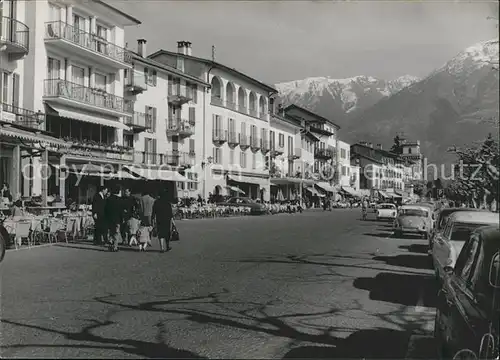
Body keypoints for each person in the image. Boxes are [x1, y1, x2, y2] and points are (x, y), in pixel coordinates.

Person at [152, 188, 174, 253]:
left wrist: (153, 219)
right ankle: (167, 246)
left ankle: (162, 248)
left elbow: (154, 212)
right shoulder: (167, 202)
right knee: (167, 233)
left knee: (160, 233)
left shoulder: (156, 202)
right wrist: (173, 221)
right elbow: (170, 213)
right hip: (167, 220)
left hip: (159, 219)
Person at [105, 186, 123, 252]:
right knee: (116, 233)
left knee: (111, 232)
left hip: (110, 219)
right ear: (118, 191)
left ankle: (110, 244)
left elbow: (106, 210)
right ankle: (115, 247)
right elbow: (121, 211)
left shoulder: (108, 199)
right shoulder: (120, 200)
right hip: (117, 219)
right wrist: (122, 218)